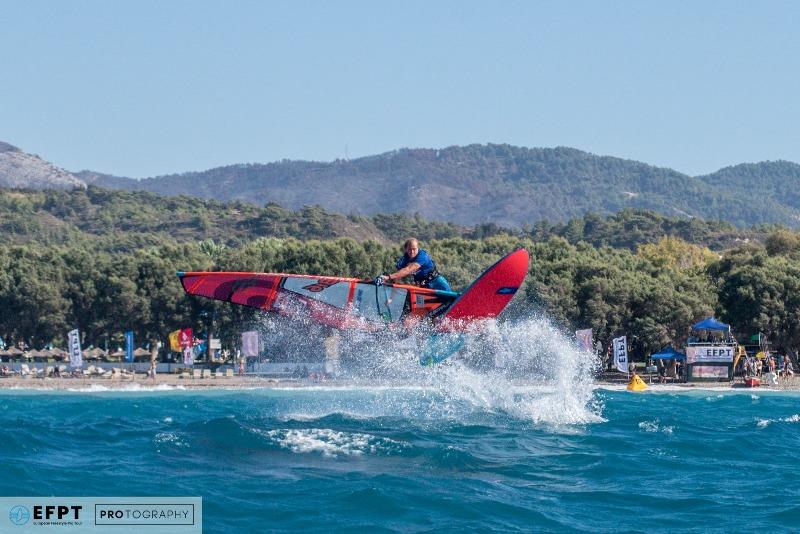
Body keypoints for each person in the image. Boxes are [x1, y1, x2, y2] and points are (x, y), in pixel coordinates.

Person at [379, 238, 452, 292]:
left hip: (437, 282)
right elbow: (398, 276)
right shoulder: (404, 260)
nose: (412, 252)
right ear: (406, 249)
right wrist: (391, 297)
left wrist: (389, 277)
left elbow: (409, 269)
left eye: (414, 249)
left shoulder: (422, 256)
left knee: (451, 302)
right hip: (424, 287)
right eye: (409, 249)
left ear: (418, 248)